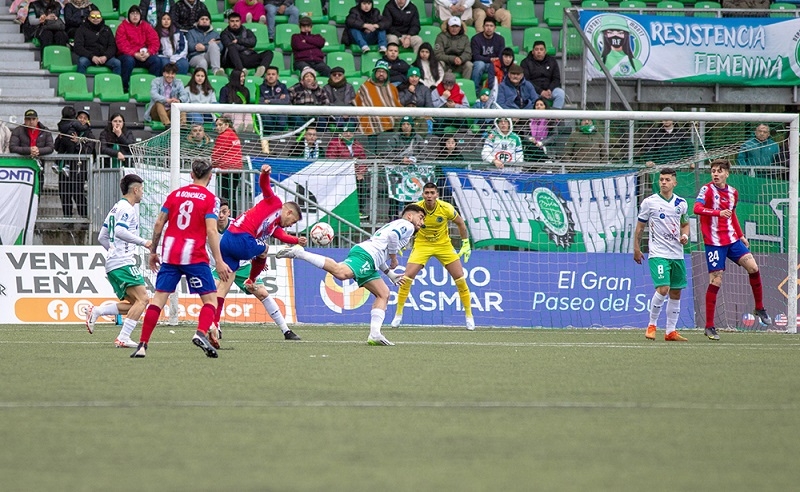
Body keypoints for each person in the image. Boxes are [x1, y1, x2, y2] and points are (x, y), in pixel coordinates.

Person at [276, 204, 427, 346]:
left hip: (370, 257)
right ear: (409, 216)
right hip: (367, 255)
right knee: (341, 273)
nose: (422, 222)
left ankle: (375, 334)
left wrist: (389, 273)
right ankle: (300, 253)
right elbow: (393, 237)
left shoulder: (397, 224)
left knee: (383, 294)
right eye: (420, 217)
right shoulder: (407, 225)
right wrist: (394, 258)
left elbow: (381, 251)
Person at [130, 159, 233, 358]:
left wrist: (153, 252)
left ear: (191, 175)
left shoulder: (175, 195)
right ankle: (201, 332)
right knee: (211, 300)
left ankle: (142, 345)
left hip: (170, 254)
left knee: (158, 299)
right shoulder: (211, 199)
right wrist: (219, 261)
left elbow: (159, 223)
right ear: (210, 177)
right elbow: (212, 231)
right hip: (194, 255)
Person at [213, 166, 306, 346]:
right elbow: (265, 186)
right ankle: (251, 279)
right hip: (241, 239)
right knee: (265, 249)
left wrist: (296, 240)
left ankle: (213, 326)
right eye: (292, 221)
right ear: (288, 212)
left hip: (230, 244)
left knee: (222, 291)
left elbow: (282, 235)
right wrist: (265, 173)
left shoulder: (273, 225)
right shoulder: (275, 202)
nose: (289, 225)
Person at [693, 159, 771, 341]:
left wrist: (741, 234)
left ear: (727, 173)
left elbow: (732, 214)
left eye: (719, 171)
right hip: (714, 242)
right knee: (716, 280)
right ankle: (709, 326)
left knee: (753, 267)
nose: (715, 174)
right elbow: (696, 208)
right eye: (713, 171)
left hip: (732, 240)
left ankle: (759, 307)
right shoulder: (707, 189)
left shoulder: (732, 192)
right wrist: (717, 213)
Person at [391, 182, 474, 330]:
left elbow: (461, 223)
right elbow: (403, 225)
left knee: (460, 278)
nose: (429, 196)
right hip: (422, 244)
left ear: (437, 195)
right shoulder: (416, 209)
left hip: (444, 245)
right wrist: (400, 243)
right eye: (427, 193)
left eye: (432, 193)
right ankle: (398, 315)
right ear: (423, 194)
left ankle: (469, 316)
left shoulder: (446, 208)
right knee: (407, 277)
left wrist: (466, 243)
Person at [86, 174, 152, 349]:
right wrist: (144, 242)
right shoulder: (127, 209)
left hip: (115, 263)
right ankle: (123, 337)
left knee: (134, 303)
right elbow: (120, 232)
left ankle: (98, 311)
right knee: (143, 300)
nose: (143, 193)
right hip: (123, 262)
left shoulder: (116, 207)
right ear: (135, 190)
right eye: (142, 189)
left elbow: (102, 237)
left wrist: (114, 252)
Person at [633, 168, 690, 342]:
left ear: (674, 182)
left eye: (667, 179)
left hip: (677, 254)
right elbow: (640, 228)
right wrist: (636, 248)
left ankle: (671, 331)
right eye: (661, 180)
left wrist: (685, 236)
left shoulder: (681, 203)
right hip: (658, 253)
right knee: (663, 288)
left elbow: (685, 224)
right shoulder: (649, 202)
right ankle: (651, 325)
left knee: (676, 292)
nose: (663, 182)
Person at [54, 107, 94, 217]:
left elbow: (88, 150)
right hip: (64, 169)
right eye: (80, 117)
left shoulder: (89, 134)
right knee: (64, 194)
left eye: (85, 118)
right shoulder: (68, 130)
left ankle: (84, 218)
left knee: (78, 194)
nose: (82, 119)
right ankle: (67, 219)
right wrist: (60, 138)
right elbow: (56, 147)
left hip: (78, 170)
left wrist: (77, 143)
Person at [326, 122, 368, 219]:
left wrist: (360, 172)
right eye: (346, 132)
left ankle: (359, 211)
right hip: (339, 175)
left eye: (351, 131)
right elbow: (331, 160)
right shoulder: (334, 143)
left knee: (361, 183)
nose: (348, 134)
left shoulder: (357, 144)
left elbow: (363, 160)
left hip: (354, 174)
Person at [116, 5, 163, 93]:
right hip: (128, 55)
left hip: (144, 55)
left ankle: (153, 88)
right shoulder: (122, 27)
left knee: (156, 60)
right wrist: (134, 54)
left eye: (137, 14)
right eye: (132, 13)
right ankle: (124, 88)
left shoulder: (146, 26)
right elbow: (122, 45)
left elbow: (155, 42)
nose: (135, 16)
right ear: (128, 15)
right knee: (128, 60)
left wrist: (149, 53)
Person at [220, 12, 274, 77]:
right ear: (228, 22)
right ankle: (241, 70)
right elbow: (228, 44)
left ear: (240, 22)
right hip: (233, 59)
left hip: (248, 57)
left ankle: (261, 70)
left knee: (269, 53)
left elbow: (253, 42)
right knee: (231, 47)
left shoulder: (247, 31)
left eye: (237, 21)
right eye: (232, 21)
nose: (235, 23)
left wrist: (238, 41)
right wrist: (246, 46)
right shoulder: (224, 34)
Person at [73, 7, 121, 76]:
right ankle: (79, 85)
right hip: (88, 57)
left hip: (104, 57)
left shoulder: (107, 29)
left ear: (101, 18)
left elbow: (112, 46)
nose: (95, 19)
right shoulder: (81, 29)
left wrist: (106, 56)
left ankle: (116, 85)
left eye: (98, 17)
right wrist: (92, 56)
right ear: (89, 18)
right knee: (82, 62)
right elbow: (78, 47)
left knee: (117, 63)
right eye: (93, 17)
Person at [211, 117, 244, 216]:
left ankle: (228, 217)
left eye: (220, 125)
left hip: (226, 171)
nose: (218, 127)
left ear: (227, 125)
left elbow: (216, 154)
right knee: (232, 195)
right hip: (237, 170)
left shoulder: (223, 136)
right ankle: (232, 216)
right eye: (216, 125)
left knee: (226, 196)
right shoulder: (234, 135)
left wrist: (213, 165)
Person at [521, 40, 565, 109]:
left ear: (545, 51)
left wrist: (549, 90)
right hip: (534, 91)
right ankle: (534, 118)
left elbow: (556, 78)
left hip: (549, 91)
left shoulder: (552, 61)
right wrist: (540, 91)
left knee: (560, 93)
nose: (539, 52)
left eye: (541, 49)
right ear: (533, 51)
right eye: (536, 49)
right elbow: (526, 80)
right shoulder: (525, 62)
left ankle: (554, 118)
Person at [470, 17, 504, 95]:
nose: (489, 28)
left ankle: (495, 92)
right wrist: (490, 59)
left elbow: (501, 56)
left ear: (495, 28)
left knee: (498, 65)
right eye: (487, 25)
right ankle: (475, 92)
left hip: (493, 64)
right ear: (483, 27)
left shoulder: (500, 39)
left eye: (491, 26)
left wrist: (493, 61)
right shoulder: (476, 39)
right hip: (479, 63)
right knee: (480, 64)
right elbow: (475, 56)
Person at [434, 17, 472, 81]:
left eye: (457, 27)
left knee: (469, 65)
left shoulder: (465, 38)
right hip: (446, 64)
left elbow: (468, 53)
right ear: (448, 26)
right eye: (452, 26)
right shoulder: (440, 36)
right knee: (440, 63)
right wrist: (453, 59)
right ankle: (440, 84)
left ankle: (466, 84)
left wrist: (461, 59)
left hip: (460, 64)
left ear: (460, 28)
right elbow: (438, 54)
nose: (454, 29)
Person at [259, 66, 291, 132]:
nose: (271, 76)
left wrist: (269, 100)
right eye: (268, 74)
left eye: (273, 74)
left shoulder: (283, 86)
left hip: (280, 111)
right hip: (266, 112)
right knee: (268, 123)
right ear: (265, 76)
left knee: (282, 123)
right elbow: (261, 102)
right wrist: (278, 99)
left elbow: (286, 101)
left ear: (277, 76)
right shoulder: (261, 88)